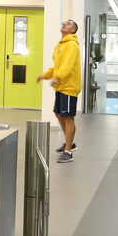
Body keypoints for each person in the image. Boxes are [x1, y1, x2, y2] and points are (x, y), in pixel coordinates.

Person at [37, 19, 82, 163]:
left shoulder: (72, 45)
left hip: (69, 86)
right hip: (61, 86)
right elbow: (57, 66)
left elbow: (67, 66)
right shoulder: (60, 45)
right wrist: (45, 75)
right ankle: (70, 142)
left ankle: (68, 152)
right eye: (64, 23)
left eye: (68, 24)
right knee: (58, 113)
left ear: (72, 30)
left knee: (68, 117)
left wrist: (57, 77)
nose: (65, 24)